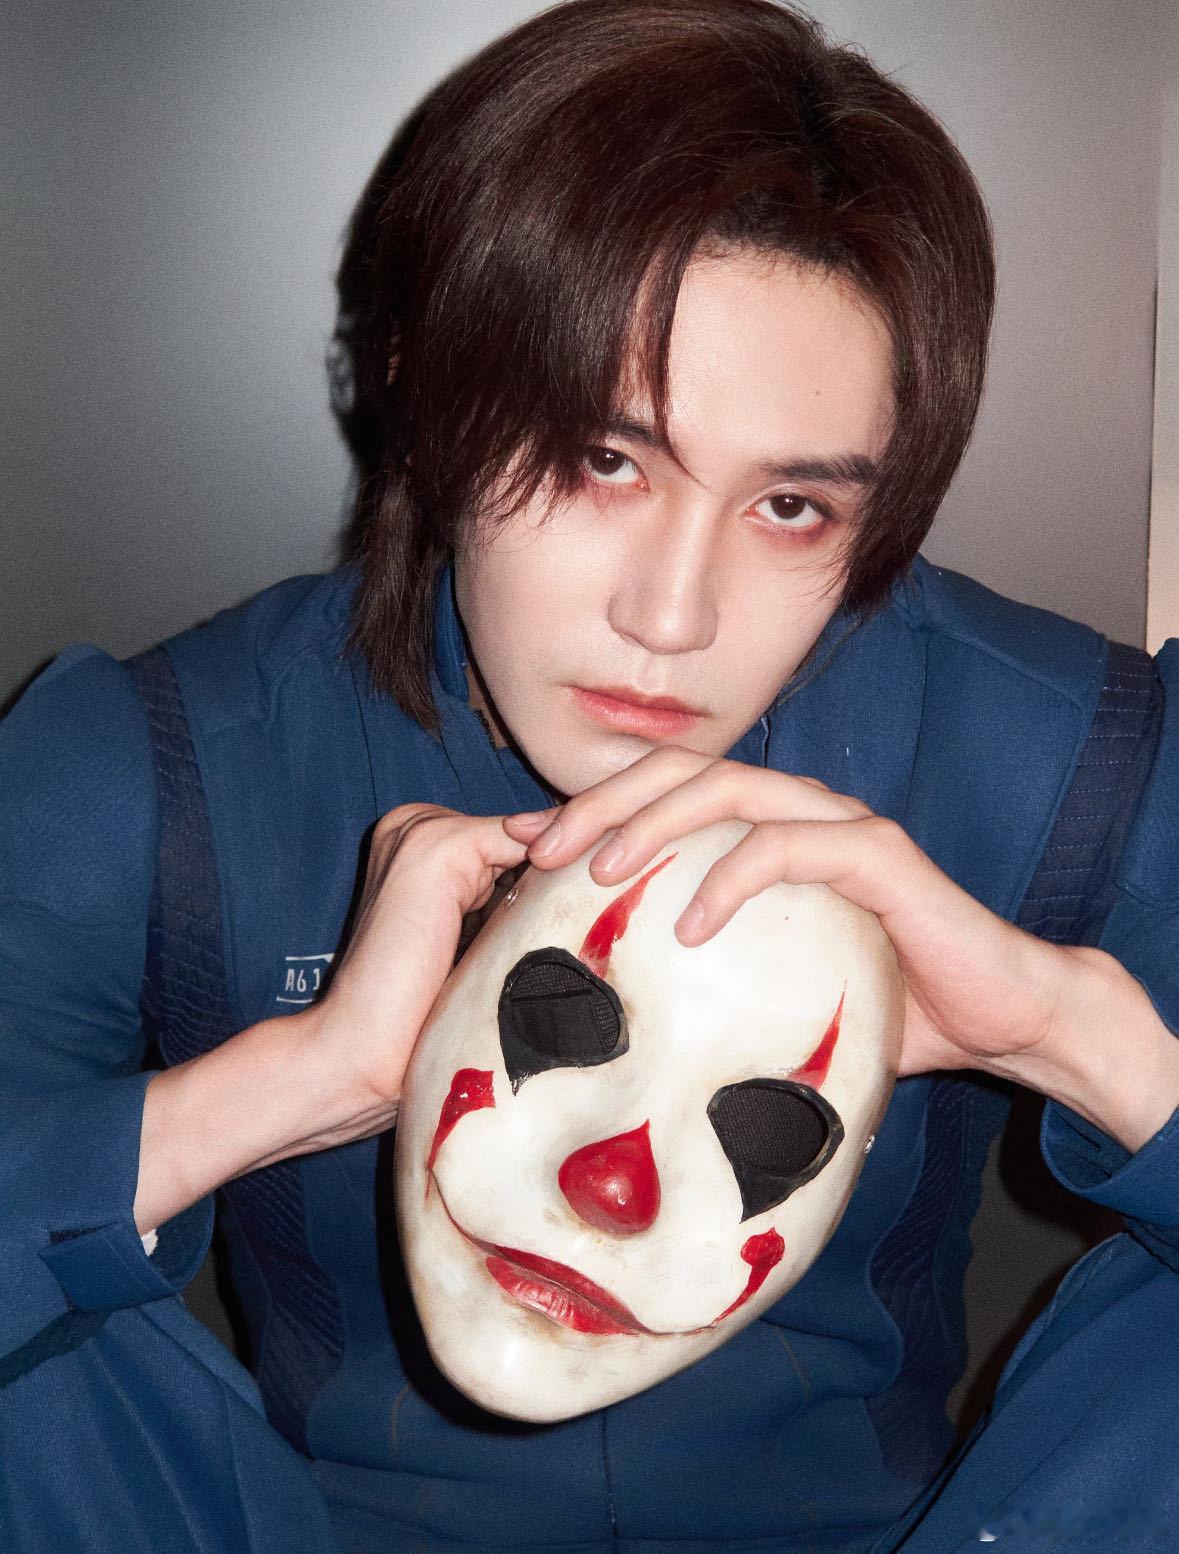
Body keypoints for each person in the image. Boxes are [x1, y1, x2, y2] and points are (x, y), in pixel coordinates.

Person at [1, 2, 1175, 1551]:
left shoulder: (1064, 753)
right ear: (426, 387)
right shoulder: (156, 765)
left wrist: (1075, 1035)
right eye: (602, 459)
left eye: (792, 508)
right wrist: (298, 1080)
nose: (671, 618)